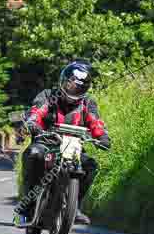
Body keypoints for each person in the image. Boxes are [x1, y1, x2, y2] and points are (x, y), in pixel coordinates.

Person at [16, 60, 111, 225]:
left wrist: (102, 137)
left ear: (85, 88)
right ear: (63, 81)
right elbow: (36, 113)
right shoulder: (48, 96)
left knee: (90, 165)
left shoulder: (87, 102)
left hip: (73, 147)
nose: (74, 89)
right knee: (33, 154)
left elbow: (95, 122)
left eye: (79, 87)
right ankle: (26, 207)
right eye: (70, 85)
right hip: (46, 142)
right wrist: (33, 124)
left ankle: (75, 207)